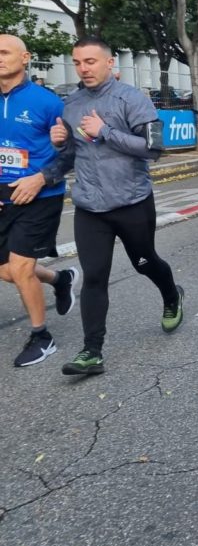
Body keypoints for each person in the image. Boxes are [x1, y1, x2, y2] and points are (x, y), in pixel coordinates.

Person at [50, 36, 184, 377]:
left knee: (144, 262)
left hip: (132, 202)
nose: (83, 68)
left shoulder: (132, 99)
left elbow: (153, 149)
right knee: (94, 276)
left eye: (90, 61)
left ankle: (171, 296)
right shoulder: (71, 104)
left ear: (110, 63)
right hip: (90, 207)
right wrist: (56, 150)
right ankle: (92, 351)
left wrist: (105, 131)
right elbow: (68, 157)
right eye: (78, 62)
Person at [0, 34, 81, 367]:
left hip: (39, 194)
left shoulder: (48, 102)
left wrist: (41, 178)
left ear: (25, 57)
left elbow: (72, 152)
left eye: (4, 52)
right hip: (3, 194)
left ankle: (41, 336)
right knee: (8, 271)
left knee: (20, 268)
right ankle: (61, 279)